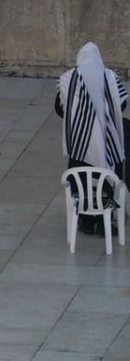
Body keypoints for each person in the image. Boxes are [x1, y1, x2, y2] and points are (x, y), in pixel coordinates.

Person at [55, 42, 128, 236]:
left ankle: (86, 220)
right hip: (107, 142)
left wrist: (80, 118)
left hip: (79, 145)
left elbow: (59, 108)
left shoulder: (67, 79)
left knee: (79, 179)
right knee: (110, 176)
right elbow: (122, 104)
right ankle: (104, 220)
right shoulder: (110, 77)